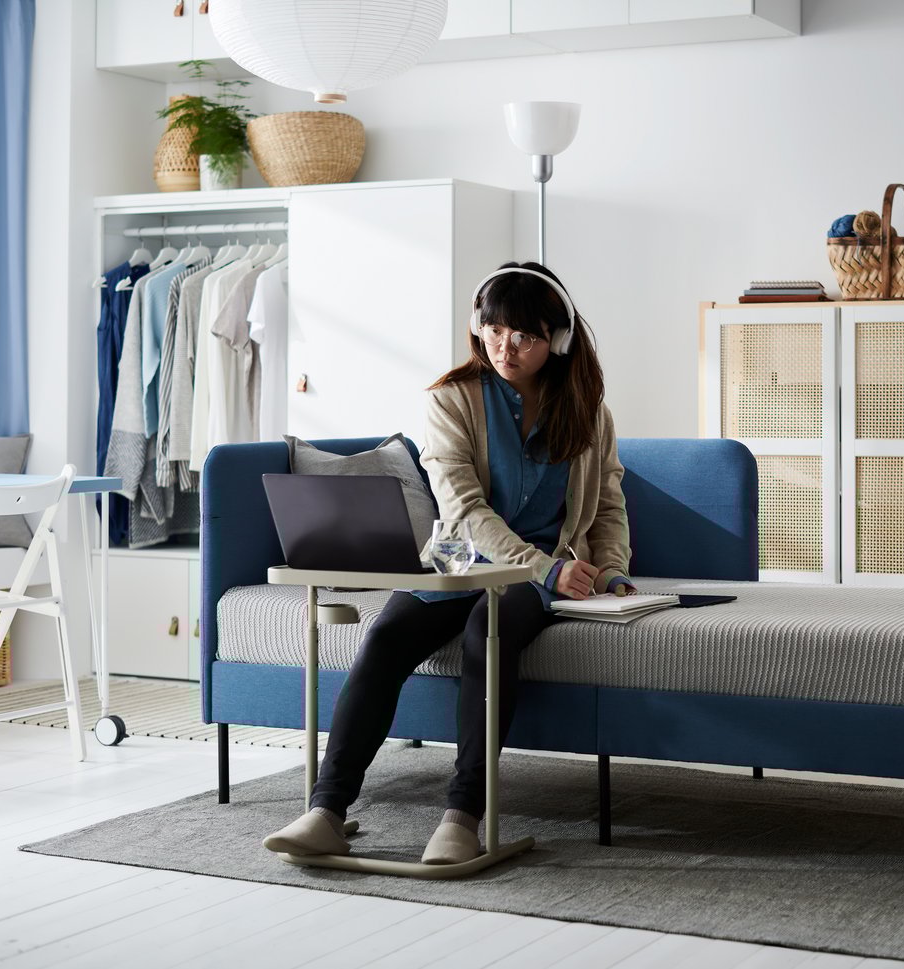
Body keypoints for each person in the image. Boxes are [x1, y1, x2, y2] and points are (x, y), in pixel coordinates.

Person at [263, 262, 635, 863]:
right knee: (385, 633)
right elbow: (462, 510)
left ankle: (462, 819)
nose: (504, 348)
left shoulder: (588, 410)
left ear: (558, 341)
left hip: (533, 582)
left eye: (523, 337)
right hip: (466, 562)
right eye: (492, 331)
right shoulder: (451, 398)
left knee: (485, 632)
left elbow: (609, 502)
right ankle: (326, 810)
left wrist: (611, 571)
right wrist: (540, 564)